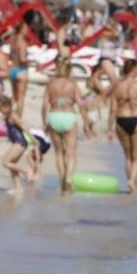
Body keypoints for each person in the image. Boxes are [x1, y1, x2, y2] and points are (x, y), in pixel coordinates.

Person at [108, 57, 137, 192]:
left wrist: (109, 129)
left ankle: (133, 187)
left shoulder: (117, 87)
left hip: (121, 120)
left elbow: (112, 109)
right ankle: (132, 181)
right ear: (133, 70)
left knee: (128, 157)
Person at [43, 53, 81, 194]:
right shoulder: (72, 84)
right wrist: (88, 122)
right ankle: (69, 178)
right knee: (70, 152)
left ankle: (61, 182)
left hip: (54, 116)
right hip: (69, 116)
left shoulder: (51, 83)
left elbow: (44, 105)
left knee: (59, 153)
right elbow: (80, 102)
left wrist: (44, 122)